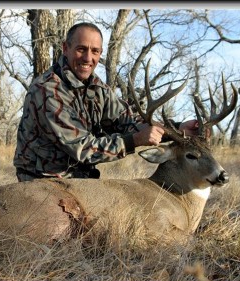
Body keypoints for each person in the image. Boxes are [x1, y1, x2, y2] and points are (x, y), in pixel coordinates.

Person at [14, 22, 198, 182]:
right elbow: (83, 148)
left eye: (95, 51)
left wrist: (178, 128)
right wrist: (134, 141)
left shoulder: (97, 88)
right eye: (81, 49)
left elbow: (129, 121)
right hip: (42, 181)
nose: (88, 58)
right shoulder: (47, 91)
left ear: (100, 53)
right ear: (65, 48)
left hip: (80, 179)